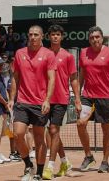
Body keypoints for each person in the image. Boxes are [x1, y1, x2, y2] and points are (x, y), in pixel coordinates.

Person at [8, 25, 56, 181]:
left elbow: (51, 79)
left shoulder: (48, 54)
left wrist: (47, 100)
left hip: (39, 103)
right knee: (18, 134)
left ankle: (39, 173)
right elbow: (15, 78)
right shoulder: (20, 53)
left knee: (39, 138)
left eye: (36, 34)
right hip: (22, 101)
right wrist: (11, 98)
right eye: (30, 34)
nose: (33, 37)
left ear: (42, 36)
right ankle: (29, 165)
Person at [77, 26, 109, 173]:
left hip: (105, 97)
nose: (95, 39)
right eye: (92, 37)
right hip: (87, 97)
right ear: (89, 39)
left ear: (102, 38)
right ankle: (88, 156)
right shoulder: (83, 53)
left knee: (106, 129)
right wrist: (77, 96)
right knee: (80, 124)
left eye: (97, 37)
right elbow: (81, 75)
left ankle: (105, 161)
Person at [42, 25, 81, 180]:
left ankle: (50, 167)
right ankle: (65, 162)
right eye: (52, 34)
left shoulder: (68, 56)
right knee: (50, 133)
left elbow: (73, 78)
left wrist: (77, 98)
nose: (55, 37)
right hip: (44, 99)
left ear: (62, 36)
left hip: (61, 99)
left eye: (58, 34)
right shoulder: (44, 54)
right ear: (49, 36)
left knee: (53, 130)